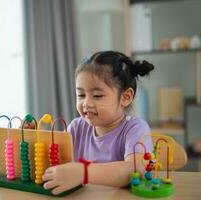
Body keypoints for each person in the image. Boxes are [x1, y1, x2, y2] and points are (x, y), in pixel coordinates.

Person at [42, 51, 154, 195]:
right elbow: (52, 157)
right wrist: (29, 137)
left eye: (97, 96)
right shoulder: (77, 128)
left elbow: (134, 169)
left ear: (126, 97)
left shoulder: (136, 129)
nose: (86, 103)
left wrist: (84, 172)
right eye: (81, 95)